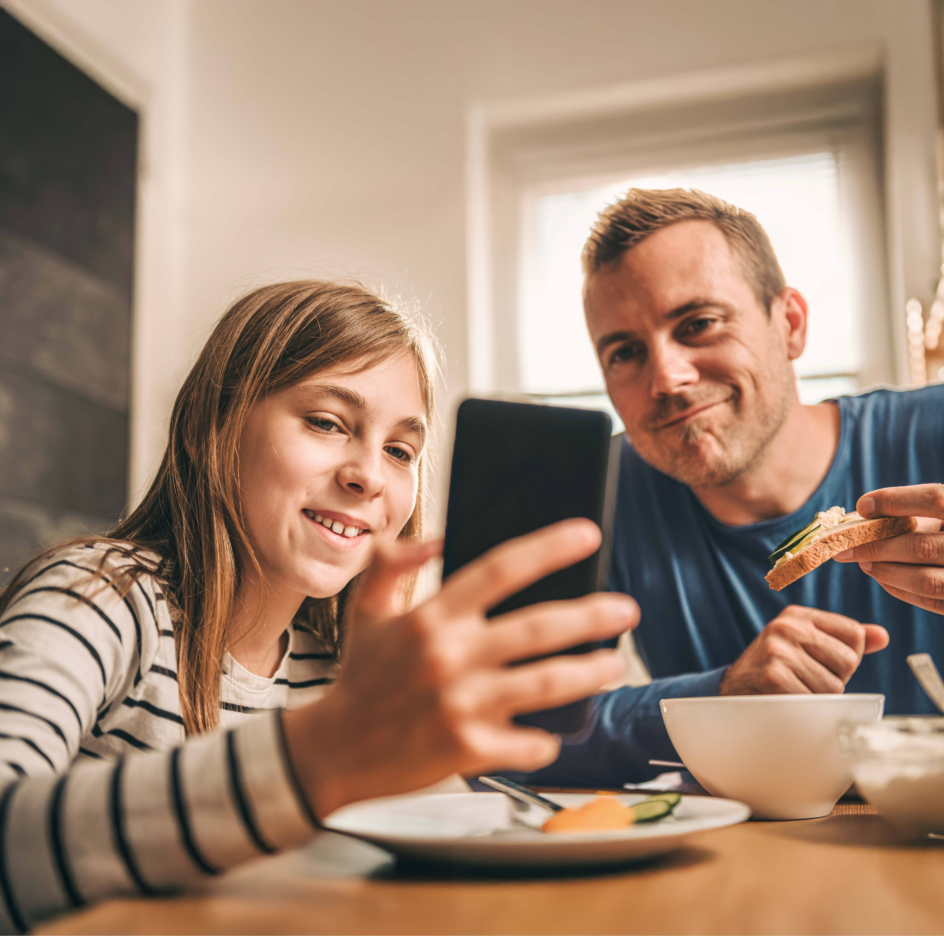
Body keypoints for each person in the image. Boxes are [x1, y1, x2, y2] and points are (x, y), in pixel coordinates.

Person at [0, 280, 638, 931]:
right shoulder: (100, 597)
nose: (367, 475)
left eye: (399, 451)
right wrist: (314, 757)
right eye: (327, 423)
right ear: (207, 429)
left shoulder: (331, 668)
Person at [520, 188, 944, 788]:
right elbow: (510, 737)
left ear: (790, 323)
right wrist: (718, 697)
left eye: (698, 324)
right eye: (625, 353)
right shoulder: (602, 495)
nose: (666, 378)